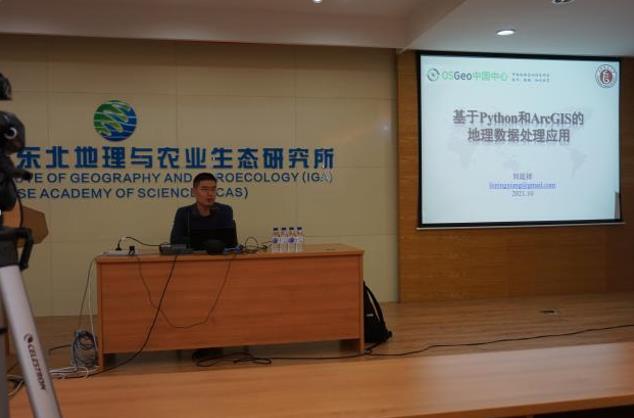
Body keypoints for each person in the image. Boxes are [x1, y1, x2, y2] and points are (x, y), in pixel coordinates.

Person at [170, 172, 234, 246]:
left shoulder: (224, 211)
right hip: (193, 254)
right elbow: (175, 241)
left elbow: (229, 241)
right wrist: (209, 240)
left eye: (213, 189)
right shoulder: (184, 213)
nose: (210, 194)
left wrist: (197, 240)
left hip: (218, 253)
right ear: (194, 192)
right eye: (204, 189)